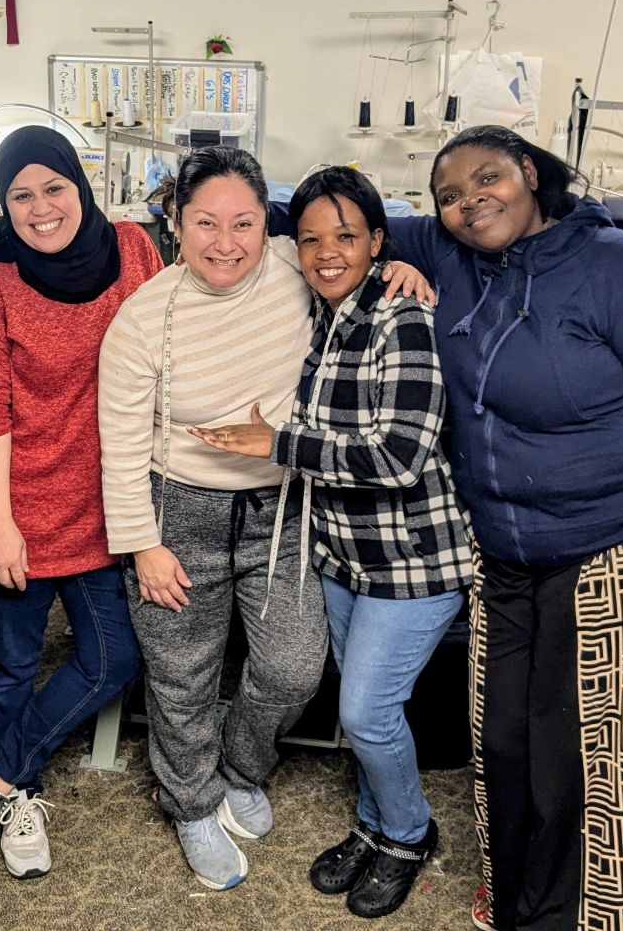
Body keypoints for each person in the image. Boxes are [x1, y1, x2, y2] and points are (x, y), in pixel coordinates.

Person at [388, 126, 623, 931]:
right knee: (503, 743)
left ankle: (576, 918)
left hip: (614, 548)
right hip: (503, 551)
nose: (471, 203)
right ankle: (515, 901)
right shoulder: (452, 253)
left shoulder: (620, 268)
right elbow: (346, 219)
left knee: (585, 766)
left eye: (488, 179)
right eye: (449, 195)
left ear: (530, 173)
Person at [98, 146, 431, 892]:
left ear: (266, 224)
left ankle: (241, 766)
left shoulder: (291, 265)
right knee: (182, 674)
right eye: (205, 223)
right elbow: (119, 446)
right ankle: (191, 801)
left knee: (292, 666)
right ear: (175, 222)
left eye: (243, 222)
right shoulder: (142, 319)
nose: (226, 242)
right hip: (176, 509)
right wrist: (144, 545)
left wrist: (397, 269)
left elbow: (350, 248)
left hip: (282, 508)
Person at [192, 166, 473, 919]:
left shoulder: (399, 316)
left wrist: (278, 444)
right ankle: (375, 824)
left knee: (369, 711)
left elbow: (400, 456)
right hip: (344, 555)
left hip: (413, 558)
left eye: (345, 237)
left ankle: (408, 834)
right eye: (311, 239)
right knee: (364, 712)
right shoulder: (322, 312)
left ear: (378, 240)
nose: (325, 253)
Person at [0, 126, 156, 879]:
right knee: (10, 666)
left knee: (114, 657)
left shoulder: (135, 249)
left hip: (104, 507)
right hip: (16, 507)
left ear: (80, 185)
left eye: (54, 188)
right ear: (4, 206)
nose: (40, 208)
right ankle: (22, 798)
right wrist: (0, 525)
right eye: (21, 195)